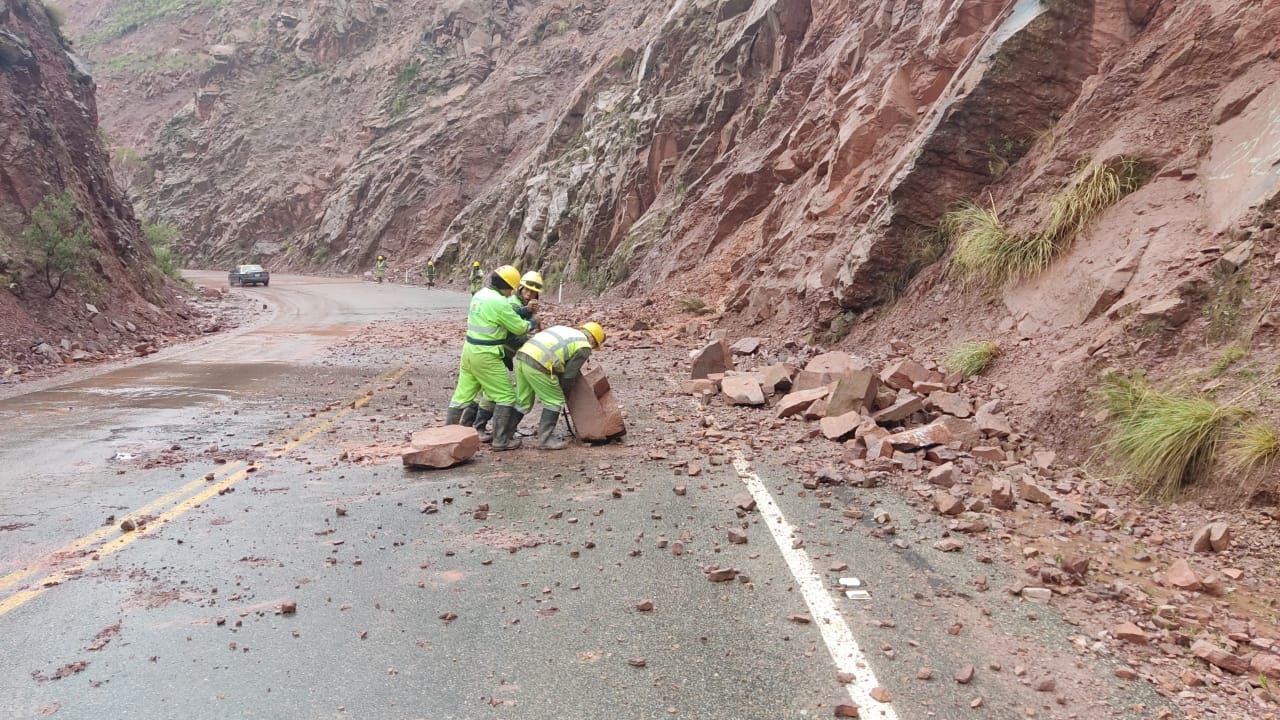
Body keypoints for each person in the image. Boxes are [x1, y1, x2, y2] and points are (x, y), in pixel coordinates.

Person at [446, 265, 536, 450]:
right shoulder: (500, 302)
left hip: (469, 350)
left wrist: (525, 311)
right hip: (487, 354)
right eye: (512, 288)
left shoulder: (480, 295)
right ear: (508, 286)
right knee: (505, 396)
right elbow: (519, 327)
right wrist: (533, 322)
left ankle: (447, 437)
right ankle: (501, 441)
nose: (511, 292)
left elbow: (502, 316)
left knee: (462, 396)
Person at [468, 270, 545, 441]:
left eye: (534, 292)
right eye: (527, 290)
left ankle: (471, 427)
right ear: (519, 288)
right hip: (494, 353)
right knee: (492, 394)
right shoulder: (511, 302)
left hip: (494, 353)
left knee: (484, 391)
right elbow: (514, 321)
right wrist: (531, 324)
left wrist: (530, 314)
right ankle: (481, 430)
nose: (530, 294)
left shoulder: (521, 303)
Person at [513, 322, 605, 450]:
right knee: (554, 401)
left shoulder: (565, 330)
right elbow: (568, 375)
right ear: (593, 340)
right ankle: (544, 440)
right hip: (538, 362)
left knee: (523, 400)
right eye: (594, 346)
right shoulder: (584, 346)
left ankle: (503, 437)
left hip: (522, 356)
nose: (592, 348)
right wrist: (565, 392)